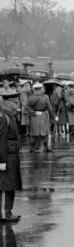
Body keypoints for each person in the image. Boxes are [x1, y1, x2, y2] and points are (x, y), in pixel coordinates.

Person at [0, 92, 22, 223]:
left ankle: (8, 211)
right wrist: (1, 160)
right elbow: (1, 140)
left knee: (11, 184)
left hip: (12, 155)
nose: (17, 105)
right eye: (15, 102)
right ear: (7, 103)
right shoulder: (4, 118)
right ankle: (4, 213)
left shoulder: (10, 117)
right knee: (4, 185)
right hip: (7, 155)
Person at [25, 82, 54, 153]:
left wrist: (33, 113)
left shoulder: (31, 98)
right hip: (43, 115)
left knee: (34, 132)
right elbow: (50, 108)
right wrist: (53, 116)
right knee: (44, 132)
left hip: (35, 116)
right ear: (41, 89)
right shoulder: (45, 97)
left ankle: (32, 148)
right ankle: (45, 147)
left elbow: (27, 107)